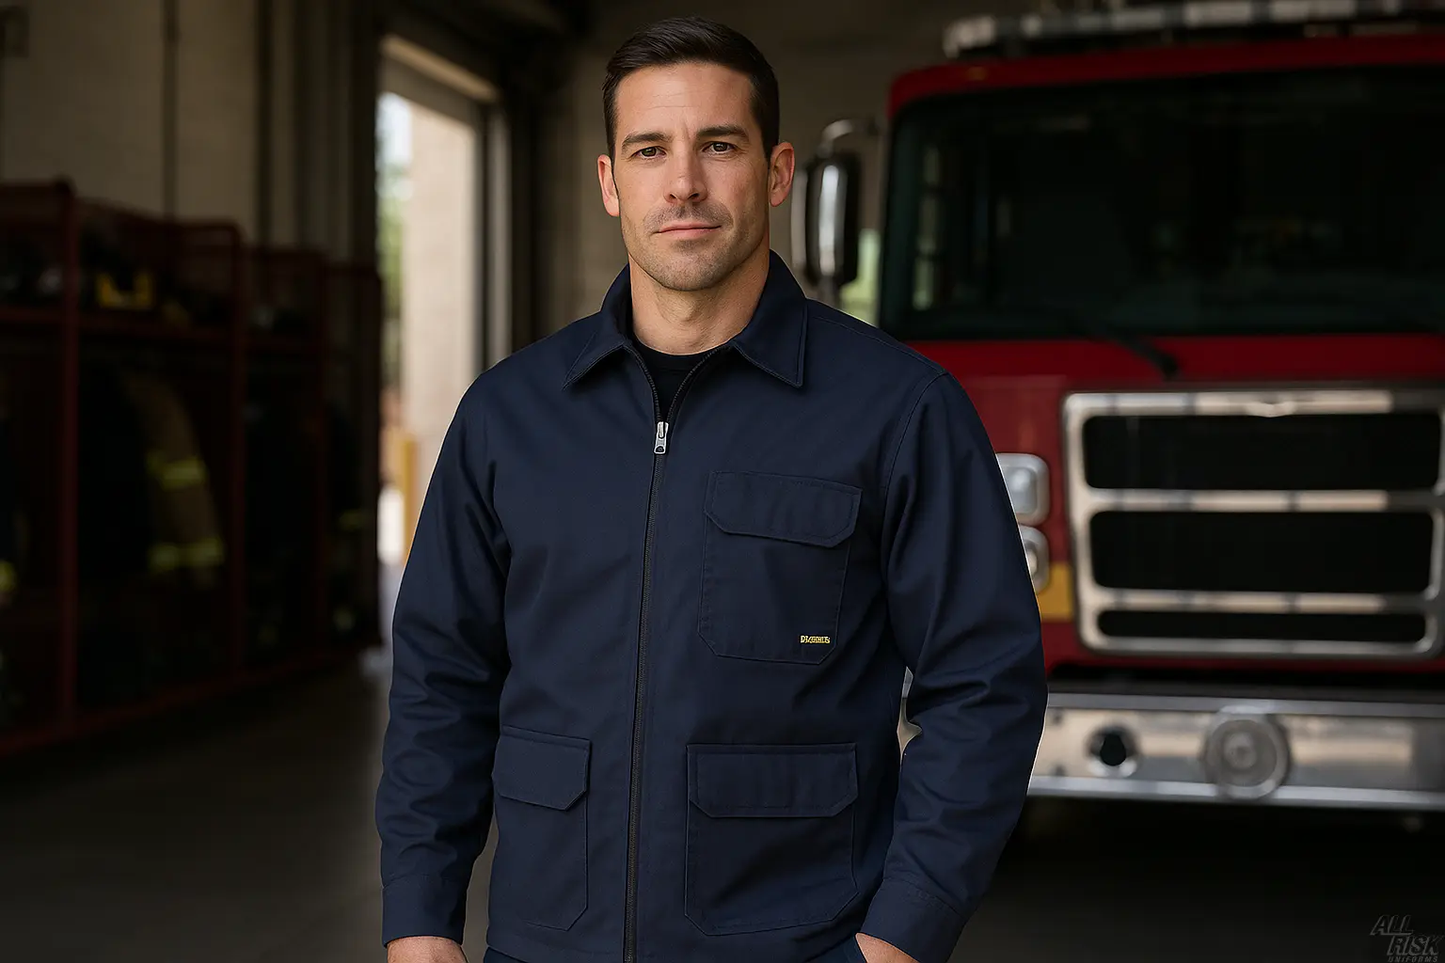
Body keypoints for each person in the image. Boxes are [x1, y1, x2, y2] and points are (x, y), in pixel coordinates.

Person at [376, 16, 1047, 963]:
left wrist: (900, 937)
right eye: (649, 149)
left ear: (775, 173)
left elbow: (986, 685)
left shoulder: (897, 410)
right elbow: (441, 680)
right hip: (541, 946)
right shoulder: (508, 415)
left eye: (717, 145)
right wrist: (418, 918)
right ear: (610, 181)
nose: (682, 182)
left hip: (796, 946)